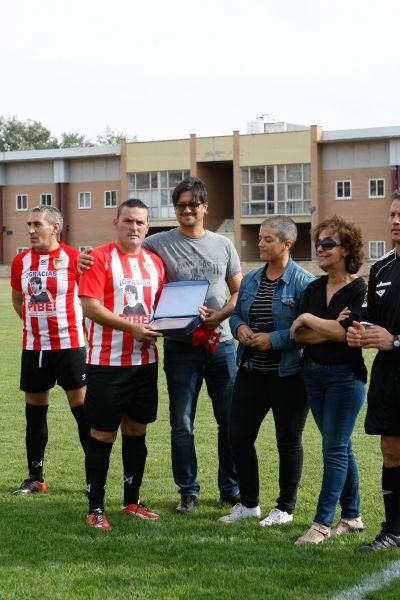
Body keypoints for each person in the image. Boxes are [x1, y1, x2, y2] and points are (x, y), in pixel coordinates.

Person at [78, 176, 242, 513]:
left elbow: (237, 291)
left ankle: (229, 488)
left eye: (192, 204)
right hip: (164, 350)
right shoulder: (155, 245)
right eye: (180, 205)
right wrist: (81, 257)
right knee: (179, 421)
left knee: (227, 419)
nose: (186, 210)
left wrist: (217, 315)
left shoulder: (217, 246)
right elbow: (104, 277)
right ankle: (183, 491)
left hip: (212, 344)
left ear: (204, 207)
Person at [218, 216, 313, 525]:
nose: (260, 243)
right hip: (250, 371)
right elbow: (236, 317)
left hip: (288, 375)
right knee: (239, 436)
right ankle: (248, 504)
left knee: (288, 440)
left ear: (287, 244)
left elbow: (307, 330)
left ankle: (285, 508)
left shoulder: (303, 282)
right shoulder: (252, 279)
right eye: (259, 238)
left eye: (267, 239)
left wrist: (273, 340)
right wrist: (240, 327)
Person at [78, 199, 164, 529]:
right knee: (102, 433)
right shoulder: (99, 258)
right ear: (116, 222)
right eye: (128, 221)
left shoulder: (155, 263)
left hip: (145, 361)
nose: (134, 227)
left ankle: (131, 501)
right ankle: (95, 507)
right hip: (106, 363)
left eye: (141, 223)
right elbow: (90, 307)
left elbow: (162, 308)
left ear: (147, 227)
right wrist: (131, 327)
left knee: (136, 429)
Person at [291, 215, 367, 545]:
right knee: (341, 445)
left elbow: (342, 333)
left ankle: (321, 524)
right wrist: (329, 328)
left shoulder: (359, 289)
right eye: (318, 243)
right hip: (313, 376)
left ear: (346, 248)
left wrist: (310, 319)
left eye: (328, 244)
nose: (320, 249)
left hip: (345, 378)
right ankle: (352, 516)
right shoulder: (313, 287)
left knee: (334, 448)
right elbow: (300, 337)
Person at [10, 205, 89, 495]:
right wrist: (36, 326)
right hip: (34, 347)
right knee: (34, 414)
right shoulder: (20, 261)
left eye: (37, 224)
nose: (31, 230)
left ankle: (94, 475)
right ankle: (35, 477)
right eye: (29, 224)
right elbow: (18, 301)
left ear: (55, 227)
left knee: (82, 413)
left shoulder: (74, 258)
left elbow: (89, 299)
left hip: (70, 346)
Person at [347, 192, 400, 552]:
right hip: (389, 377)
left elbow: (389, 334)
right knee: (391, 449)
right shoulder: (381, 269)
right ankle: (394, 529)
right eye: (393, 214)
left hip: (393, 354)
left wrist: (394, 340)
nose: (395, 221)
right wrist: (358, 330)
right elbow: (371, 319)